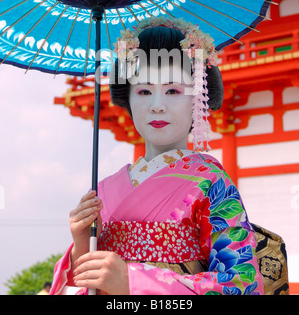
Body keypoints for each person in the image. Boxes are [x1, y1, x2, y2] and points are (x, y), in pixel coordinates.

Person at [50, 16, 264, 295]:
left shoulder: (211, 183)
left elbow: (241, 283)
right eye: (144, 90)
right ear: (128, 97)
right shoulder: (103, 189)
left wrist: (133, 282)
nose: (157, 105)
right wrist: (82, 245)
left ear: (199, 96)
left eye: (173, 90)